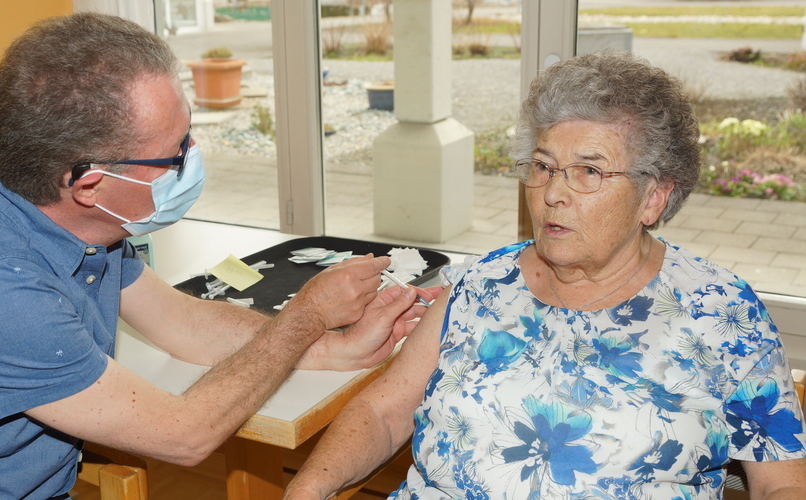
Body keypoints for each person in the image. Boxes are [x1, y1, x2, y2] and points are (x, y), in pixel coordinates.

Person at [0, 13, 440, 498]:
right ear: (87, 181)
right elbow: (184, 434)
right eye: (173, 154)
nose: (191, 158)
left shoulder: (28, 192)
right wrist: (304, 315)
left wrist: (326, 346)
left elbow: (178, 320)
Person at [285, 50, 806, 499]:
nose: (553, 192)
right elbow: (382, 411)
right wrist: (308, 488)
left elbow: (781, 483)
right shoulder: (481, 285)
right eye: (543, 166)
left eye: (589, 171)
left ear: (654, 197)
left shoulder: (723, 314)